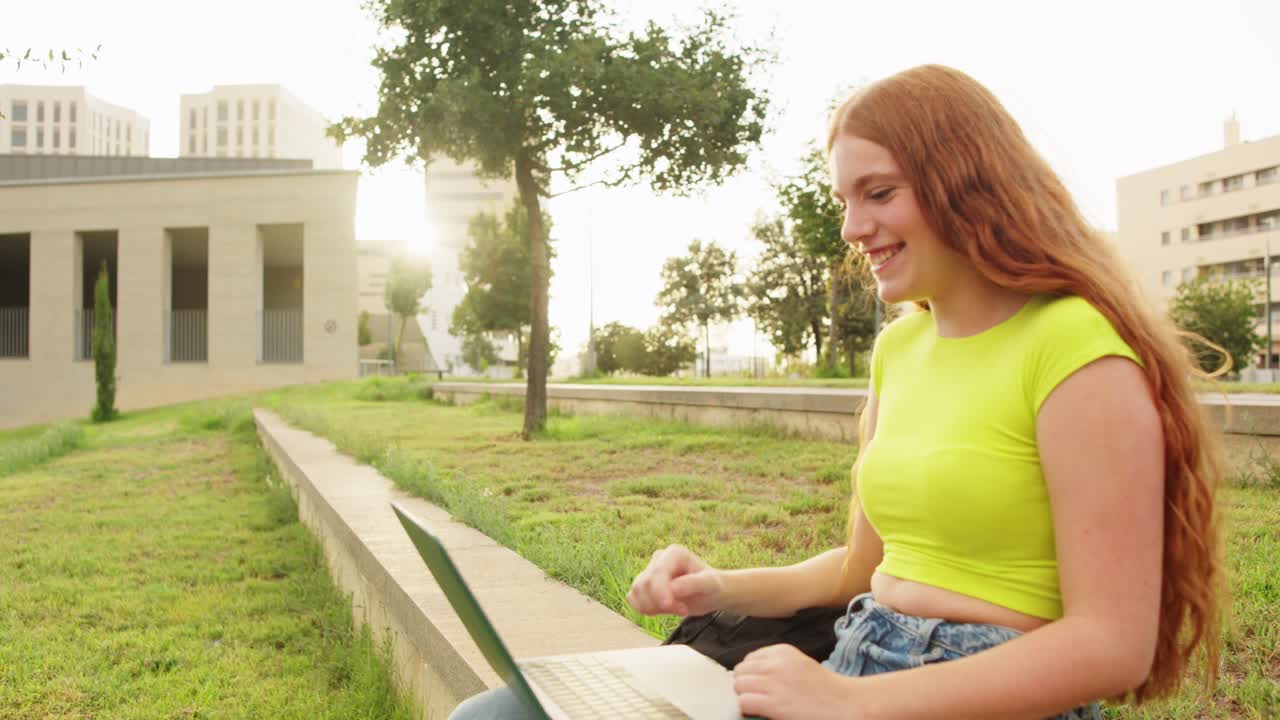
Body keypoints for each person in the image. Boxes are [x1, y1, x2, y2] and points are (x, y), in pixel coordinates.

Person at [452, 64, 1225, 720]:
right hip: (854, 660)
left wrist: (850, 704)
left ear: (967, 184)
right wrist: (717, 587)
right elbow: (860, 574)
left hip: (976, 695)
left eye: (879, 193)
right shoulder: (901, 350)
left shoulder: (1076, 350)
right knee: (497, 715)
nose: (854, 227)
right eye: (843, 201)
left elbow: (1113, 646)